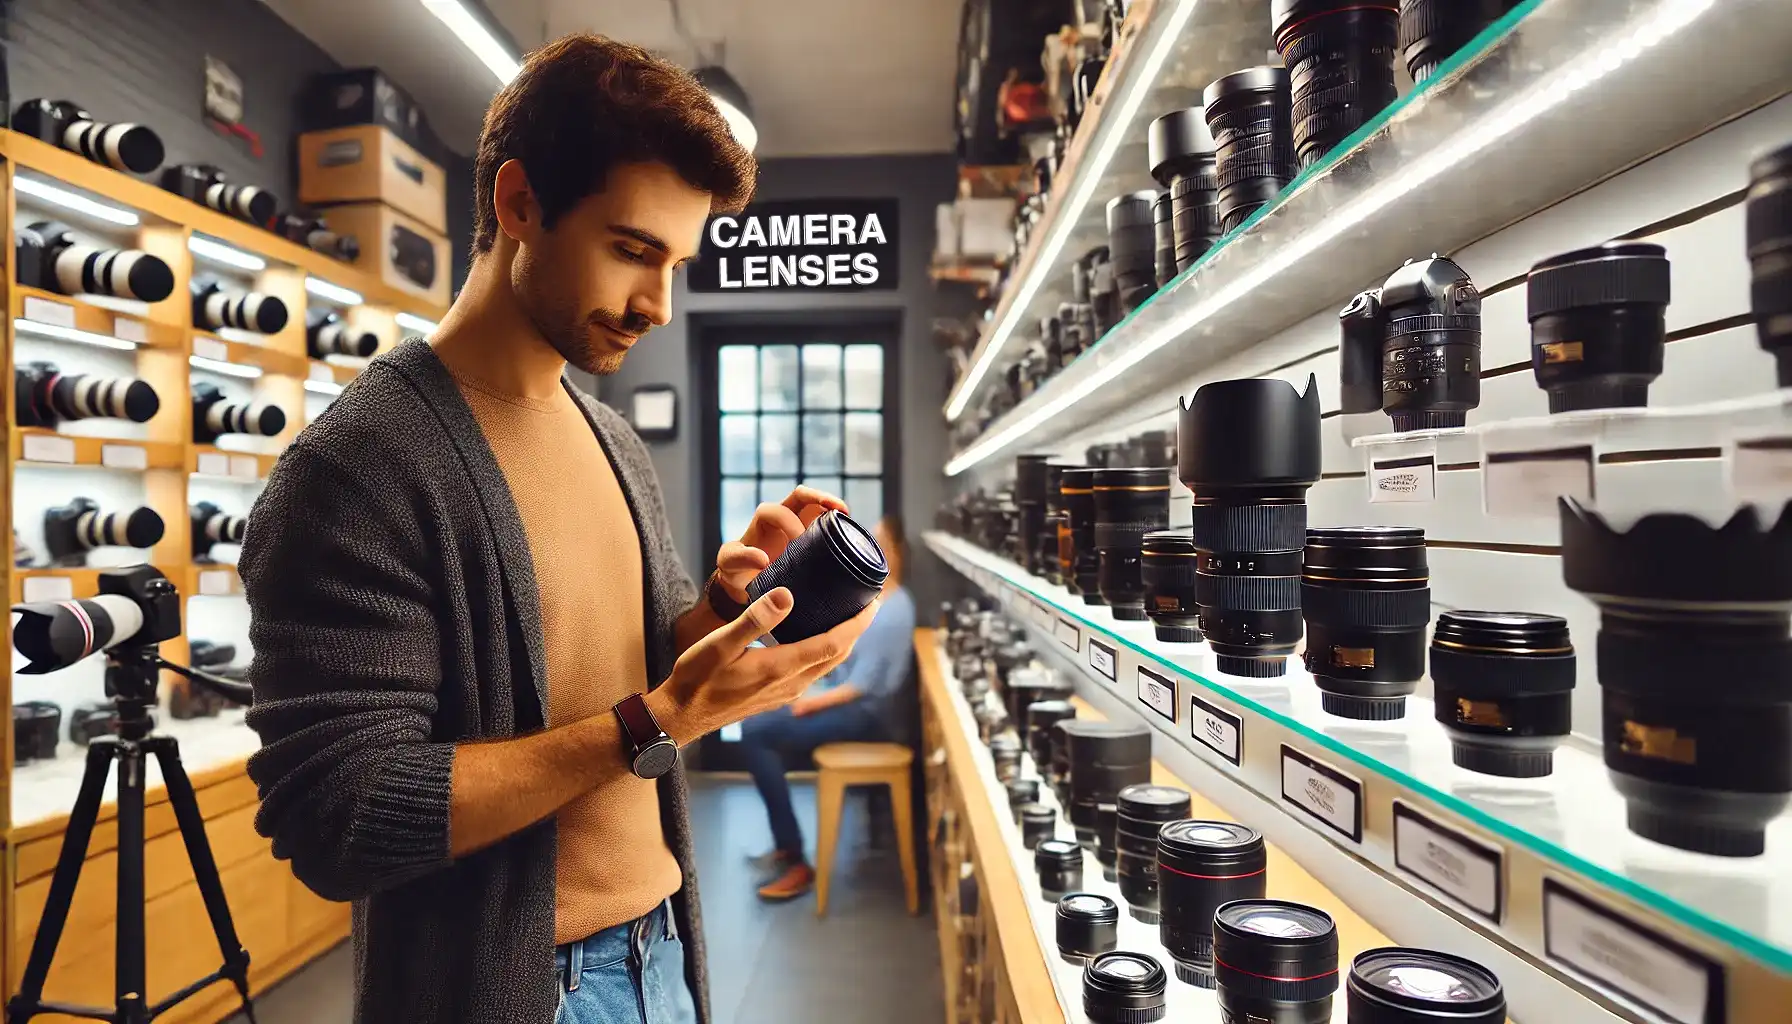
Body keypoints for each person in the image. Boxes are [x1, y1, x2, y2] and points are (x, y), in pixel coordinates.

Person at [238, 34, 877, 1024]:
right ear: (519, 202)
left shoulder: (612, 438)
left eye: (676, 262)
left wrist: (716, 611)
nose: (658, 305)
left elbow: (634, 664)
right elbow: (339, 817)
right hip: (516, 986)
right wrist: (654, 722)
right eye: (630, 250)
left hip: (663, 944)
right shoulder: (358, 466)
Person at [736, 517, 919, 901]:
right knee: (758, 726)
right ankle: (788, 848)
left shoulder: (897, 607)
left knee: (756, 733)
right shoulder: (878, 600)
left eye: (883, 540)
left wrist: (807, 703)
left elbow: (862, 687)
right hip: (856, 704)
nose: (875, 545)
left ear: (897, 552)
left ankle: (795, 859)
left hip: (871, 717)